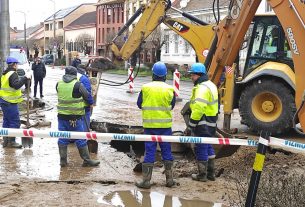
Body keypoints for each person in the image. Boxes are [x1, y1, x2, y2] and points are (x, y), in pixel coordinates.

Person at [136, 61, 176, 189]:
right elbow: (172, 105)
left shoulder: (145, 87)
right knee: (167, 151)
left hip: (150, 126)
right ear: (165, 75)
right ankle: (169, 181)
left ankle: (146, 181)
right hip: (165, 127)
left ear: (153, 74)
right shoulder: (170, 89)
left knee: (149, 152)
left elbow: (139, 104)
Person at [56, 66, 100, 167]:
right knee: (80, 138)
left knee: (62, 138)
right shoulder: (77, 84)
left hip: (62, 117)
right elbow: (87, 95)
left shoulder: (58, 83)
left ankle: (63, 161)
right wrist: (91, 103)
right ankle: (87, 160)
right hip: (75, 118)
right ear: (75, 75)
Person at [188, 63, 218, 182]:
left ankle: (202, 175)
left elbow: (199, 108)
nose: (191, 77)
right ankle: (211, 174)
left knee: (200, 146)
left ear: (198, 75)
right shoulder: (211, 85)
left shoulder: (202, 88)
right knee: (208, 145)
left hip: (203, 122)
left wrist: (191, 124)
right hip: (211, 121)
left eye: (192, 75)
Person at [0, 57, 31, 148]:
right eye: (17, 64)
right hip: (9, 102)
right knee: (15, 122)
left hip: (4, 100)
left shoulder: (5, 74)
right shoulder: (13, 73)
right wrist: (25, 78)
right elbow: (16, 85)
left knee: (7, 121)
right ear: (14, 64)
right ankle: (11, 142)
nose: (17, 66)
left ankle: (6, 141)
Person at [76, 64, 94, 131]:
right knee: (84, 127)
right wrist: (91, 103)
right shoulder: (83, 78)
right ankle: (83, 138)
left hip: (70, 108)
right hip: (83, 107)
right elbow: (87, 94)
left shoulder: (65, 79)